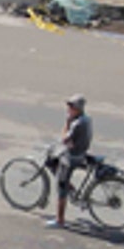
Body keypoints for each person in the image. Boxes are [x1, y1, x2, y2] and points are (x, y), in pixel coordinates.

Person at [50, 94, 93, 229]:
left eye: (71, 107)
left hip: (73, 157)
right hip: (81, 152)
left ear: (77, 109)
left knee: (61, 186)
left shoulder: (76, 123)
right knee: (53, 163)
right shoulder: (86, 119)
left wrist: (67, 123)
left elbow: (65, 139)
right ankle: (71, 189)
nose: (68, 109)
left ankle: (60, 220)